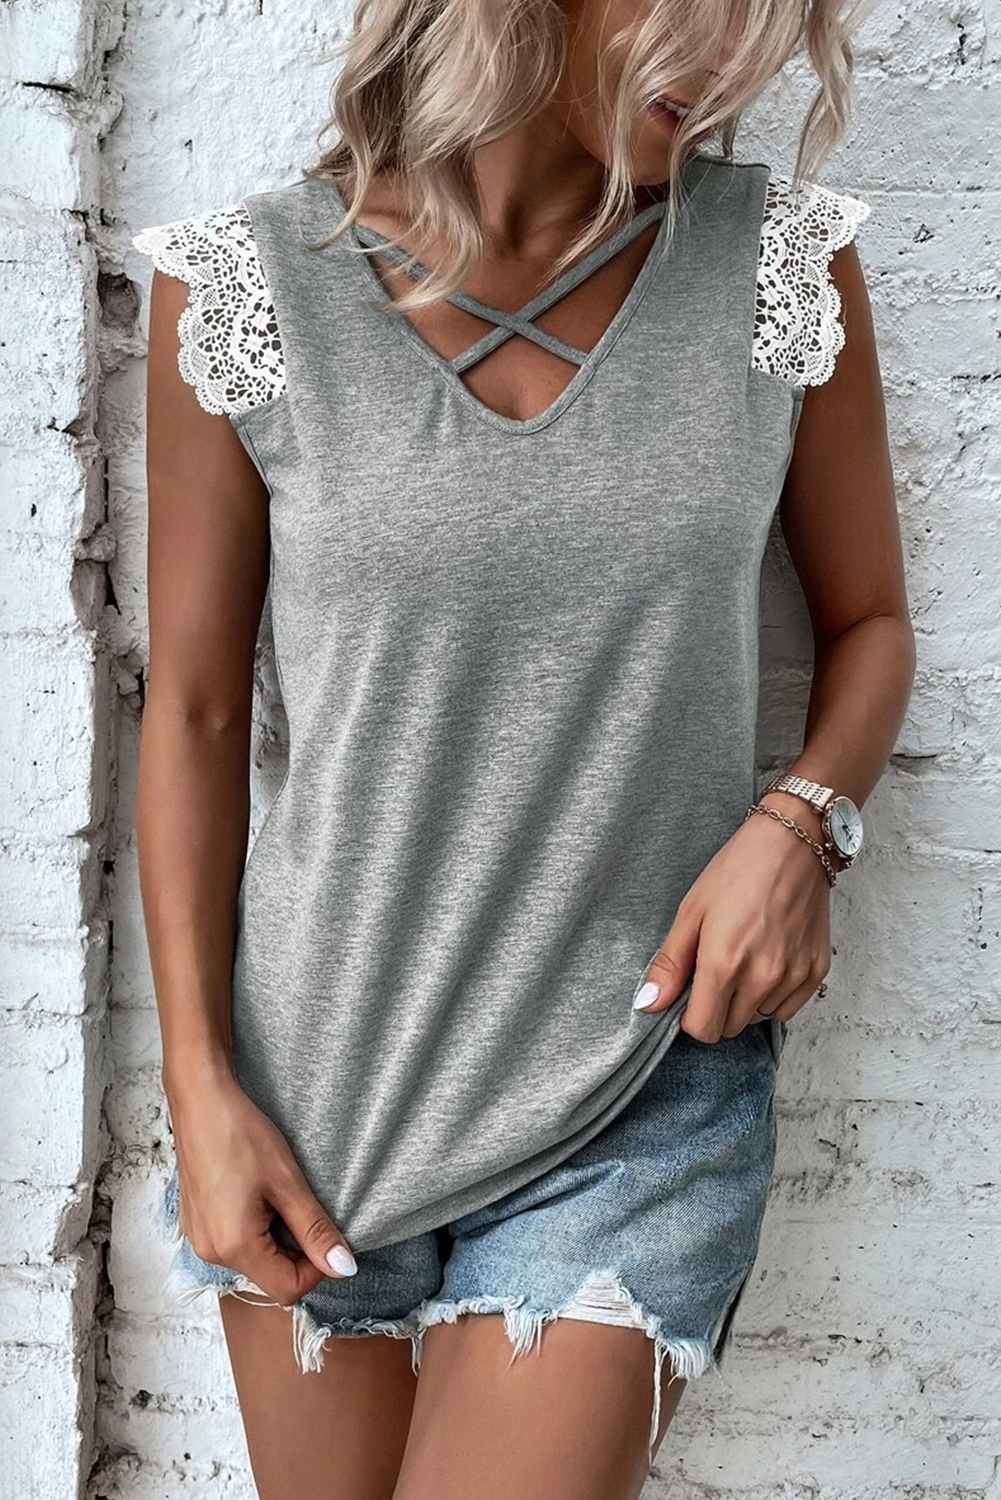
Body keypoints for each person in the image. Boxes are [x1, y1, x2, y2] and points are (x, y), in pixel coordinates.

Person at [131, 1, 915, 1496]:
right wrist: (199, 1091)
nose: (727, 63)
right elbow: (196, 711)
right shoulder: (246, 290)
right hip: (315, 1102)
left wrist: (802, 825)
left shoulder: (777, 269)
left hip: (638, 1085)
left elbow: (871, 621)